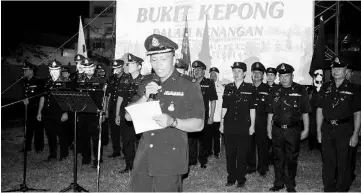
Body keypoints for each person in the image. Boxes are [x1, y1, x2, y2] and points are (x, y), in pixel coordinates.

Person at [128, 34, 205, 192]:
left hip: (170, 156)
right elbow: (128, 116)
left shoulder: (188, 85)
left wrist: (173, 122)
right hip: (144, 154)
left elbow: (199, 124)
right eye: (154, 59)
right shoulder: (146, 82)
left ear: (173, 58)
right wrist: (144, 96)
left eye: (163, 58)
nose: (158, 64)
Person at [316, 57, 360, 192]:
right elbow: (320, 110)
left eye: (340, 68)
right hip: (327, 129)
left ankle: (342, 189)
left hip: (344, 129)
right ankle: (329, 188)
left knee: (344, 163)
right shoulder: (325, 87)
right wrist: (318, 131)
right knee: (328, 161)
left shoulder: (354, 88)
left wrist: (355, 134)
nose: (336, 71)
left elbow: (358, 113)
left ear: (346, 70)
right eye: (334, 68)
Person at [267, 63, 309, 192]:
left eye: (286, 75)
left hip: (293, 130)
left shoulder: (300, 90)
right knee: (277, 157)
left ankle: (290, 184)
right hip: (277, 129)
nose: (283, 78)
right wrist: (269, 128)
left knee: (292, 158)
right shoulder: (274, 90)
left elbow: (305, 111)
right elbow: (270, 112)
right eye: (281, 76)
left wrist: (306, 129)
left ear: (292, 76)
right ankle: (278, 182)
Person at [220, 62, 255, 188]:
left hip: (243, 126)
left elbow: (252, 109)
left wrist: (252, 126)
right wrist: (222, 123)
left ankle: (241, 179)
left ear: (245, 73)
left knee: (242, 154)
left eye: (239, 71)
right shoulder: (228, 87)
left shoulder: (250, 88)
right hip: (229, 125)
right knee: (230, 153)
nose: (236, 73)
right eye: (234, 71)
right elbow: (224, 107)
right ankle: (231, 177)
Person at [115, 53, 144, 174]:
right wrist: (117, 114)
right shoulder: (124, 79)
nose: (130, 66)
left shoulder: (144, 80)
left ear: (139, 66)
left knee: (139, 141)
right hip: (125, 114)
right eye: (129, 63)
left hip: (138, 116)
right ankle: (129, 165)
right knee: (126, 140)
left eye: (133, 64)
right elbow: (120, 97)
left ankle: (140, 166)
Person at [76, 58, 107, 168]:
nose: (88, 69)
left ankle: (97, 159)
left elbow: (104, 98)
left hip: (96, 113)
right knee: (84, 136)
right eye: (86, 67)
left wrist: (103, 112)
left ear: (94, 68)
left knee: (96, 138)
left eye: (90, 67)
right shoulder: (79, 81)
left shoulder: (101, 80)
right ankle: (86, 158)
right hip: (83, 113)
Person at [37, 60, 69, 162]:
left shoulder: (65, 82)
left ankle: (64, 153)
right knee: (50, 134)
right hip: (47, 112)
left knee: (62, 134)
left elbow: (69, 99)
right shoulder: (46, 82)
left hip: (59, 113)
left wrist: (66, 112)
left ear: (59, 70)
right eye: (51, 70)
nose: (53, 72)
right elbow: (42, 97)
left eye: (55, 70)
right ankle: (53, 153)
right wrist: (39, 111)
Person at [191, 60, 217, 168]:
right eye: (194, 70)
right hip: (191, 114)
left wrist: (211, 116)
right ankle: (192, 160)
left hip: (204, 115)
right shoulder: (190, 82)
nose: (196, 71)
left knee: (203, 138)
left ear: (203, 71)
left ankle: (203, 160)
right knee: (191, 138)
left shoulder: (209, 83)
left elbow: (213, 100)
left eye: (198, 69)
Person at [247, 62, 270, 176]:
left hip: (263, 121)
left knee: (263, 145)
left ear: (263, 75)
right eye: (254, 72)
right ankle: (250, 167)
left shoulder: (267, 89)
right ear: (251, 74)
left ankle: (262, 168)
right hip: (249, 121)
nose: (256, 75)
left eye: (259, 73)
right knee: (249, 145)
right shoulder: (247, 88)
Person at [21, 61, 44, 153]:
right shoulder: (25, 81)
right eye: (24, 70)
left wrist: (39, 110)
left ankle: (39, 148)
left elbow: (41, 96)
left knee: (38, 128)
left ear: (31, 71)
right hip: (27, 108)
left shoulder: (38, 81)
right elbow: (24, 93)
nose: (24, 72)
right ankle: (27, 146)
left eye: (26, 70)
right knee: (27, 128)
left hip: (36, 107)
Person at [106, 59, 127, 158]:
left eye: (118, 67)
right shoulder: (112, 78)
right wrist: (106, 108)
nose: (116, 70)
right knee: (114, 130)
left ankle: (126, 152)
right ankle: (116, 150)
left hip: (122, 106)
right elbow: (109, 93)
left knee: (123, 130)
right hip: (112, 106)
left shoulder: (127, 77)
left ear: (122, 67)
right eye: (115, 68)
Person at [208, 67, 223, 159]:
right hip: (208, 115)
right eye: (211, 74)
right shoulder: (206, 86)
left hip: (217, 116)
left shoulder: (222, 88)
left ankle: (217, 152)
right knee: (208, 136)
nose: (213, 76)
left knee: (217, 136)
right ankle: (209, 151)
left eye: (215, 74)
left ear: (218, 76)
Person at [308, 69, 324, 151]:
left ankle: (319, 144)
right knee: (312, 127)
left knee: (321, 127)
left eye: (321, 75)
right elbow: (308, 99)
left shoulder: (325, 88)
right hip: (312, 110)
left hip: (321, 111)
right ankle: (312, 144)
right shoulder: (310, 89)